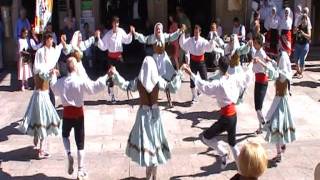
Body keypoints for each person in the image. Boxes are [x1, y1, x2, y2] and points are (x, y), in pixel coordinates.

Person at [109, 56, 183, 180]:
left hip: (143, 114)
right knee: (155, 142)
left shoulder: (138, 81)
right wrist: (180, 72)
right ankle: (154, 174)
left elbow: (125, 85)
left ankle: (149, 173)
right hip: (155, 113)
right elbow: (173, 87)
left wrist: (115, 73)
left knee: (147, 144)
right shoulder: (158, 81)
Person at [182, 56, 254, 170]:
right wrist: (251, 64)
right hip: (233, 116)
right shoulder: (234, 78)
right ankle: (241, 167)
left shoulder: (219, 83)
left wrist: (190, 72)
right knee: (232, 143)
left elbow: (204, 86)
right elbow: (246, 75)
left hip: (226, 118)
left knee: (206, 137)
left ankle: (223, 152)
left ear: (219, 68)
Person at [50, 57, 108, 179]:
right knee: (80, 143)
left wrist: (54, 75)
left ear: (67, 68)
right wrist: (106, 76)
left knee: (65, 135)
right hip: (78, 114)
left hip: (66, 114)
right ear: (75, 67)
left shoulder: (61, 82)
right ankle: (80, 170)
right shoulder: (80, 81)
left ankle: (68, 153)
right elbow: (94, 88)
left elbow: (54, 88)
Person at [18, 33, 66, 159]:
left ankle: (37, 140)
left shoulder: (43, 63)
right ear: (46, 40)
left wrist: (61, 44)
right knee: (43, 122)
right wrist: (52, 72)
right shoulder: (40, 68)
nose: (51, 42)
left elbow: (55, 53)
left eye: (51, 40)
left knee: (40, 120)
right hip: (41, 98)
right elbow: (43, 74)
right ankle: (41, 150)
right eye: (49, 40)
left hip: (41, 96)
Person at [255, 50, 295, 165]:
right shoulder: (286, 72)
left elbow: (273, 70)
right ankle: (281, 146)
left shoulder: (282, 75)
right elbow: (276, 67)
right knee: (279, 127)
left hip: (279, 104)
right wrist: (270, 60)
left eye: (278, 57)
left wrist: (261, 62)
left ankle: (279, 154)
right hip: (283, 103)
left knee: (276, 128)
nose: (277, 58)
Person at [133, 22, 184, 107]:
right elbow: (144, 39)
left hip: (164, 60)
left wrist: (179, 31)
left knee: (169, 80)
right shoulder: (152, 38)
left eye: (159, 28)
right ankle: (151, 98)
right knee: (155, 80)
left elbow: (172, 37)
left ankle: (169, 100)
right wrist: (136, 34)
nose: (158, 30)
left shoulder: (164, 36)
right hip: (156, 60)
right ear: (155, 30)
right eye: (157, 29)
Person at [179, 24, 223, 103]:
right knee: (192, 79)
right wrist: (182, 34)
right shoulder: (190, 40)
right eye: (194, 32)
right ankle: (194, 96)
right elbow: (183, 45)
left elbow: (209, 48)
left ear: (200, 32)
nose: (195, 34)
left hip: (201, 61)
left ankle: (200, 90)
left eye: (197, 32)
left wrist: (212, 40)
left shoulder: (203, 40)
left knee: (205, 78)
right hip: (193, 62)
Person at [96, 16, 133, 103]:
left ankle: (125, 91)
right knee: (111, 77)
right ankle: (112, 96)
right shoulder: (108, 34)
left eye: (117, 23)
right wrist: (98, 37)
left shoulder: (121, 31)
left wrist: (131, 33)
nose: (115, 25)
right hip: (111, 59)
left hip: (119, 58)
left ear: (118, 23)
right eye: (114, 23)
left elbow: (127, 40)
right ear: (112, 24)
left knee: (121, 76)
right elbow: (103, 46)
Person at [252, 33, 273, 134]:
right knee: (257, 107)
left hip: (263, 81)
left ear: (260, 44)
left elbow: (267, 66)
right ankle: (260, 127)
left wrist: (260, 61)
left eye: (255, 43)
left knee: (258, 107)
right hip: (257, 80)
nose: (254, 44)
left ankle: (264, 123)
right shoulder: (256, 51)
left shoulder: (261, 53)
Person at [293, 14, 311, 79]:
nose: (303, 20)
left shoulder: (307, 27)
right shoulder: (299, 26)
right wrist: (296, 29)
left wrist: (303, 34)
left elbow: (309, 36)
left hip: (305, 45)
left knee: (301, 58)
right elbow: (294, 32)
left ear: (306, 20)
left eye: (305, 19)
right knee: (295, 58)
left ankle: (301, 72)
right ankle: (298, 71)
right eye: (302, 19)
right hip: (298, 44)